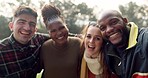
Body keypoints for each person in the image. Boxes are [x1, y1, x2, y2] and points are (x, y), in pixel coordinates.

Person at [0, 5, 49, 78]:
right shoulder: (1, 51)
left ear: (35, 30)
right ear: (11, 26)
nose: (27, 28)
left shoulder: (38, 40)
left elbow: (59, 35)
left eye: (32, 24)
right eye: (21, 22)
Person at [97, 10, 148, 78]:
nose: (109, 29)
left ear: (125, 21)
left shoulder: (145, 39)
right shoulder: (107, 52)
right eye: (103, 28)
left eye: (113, 22)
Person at [40, 4, 83, 78]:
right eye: (53, 31)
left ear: (66, 26)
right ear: (49, 33)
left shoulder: (78, 44)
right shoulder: (44, 47)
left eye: (61, 28)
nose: (59, 33)